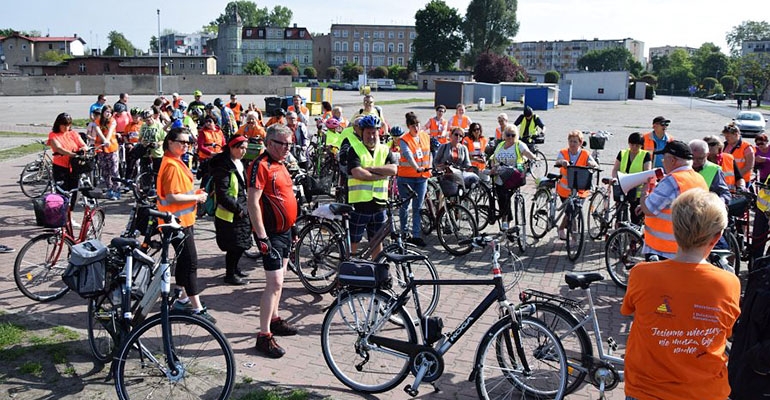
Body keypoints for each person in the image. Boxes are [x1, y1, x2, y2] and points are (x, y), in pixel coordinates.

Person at [621, 188, 740, 400]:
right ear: (717, 237)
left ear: (674, 228)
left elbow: (629, 310)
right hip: (704, 392)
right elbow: (726, 330)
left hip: (646, 390)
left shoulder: (641, 274)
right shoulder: (729, 283)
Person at [247, 124, 300, 358]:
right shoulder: (261, 165)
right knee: (275, 283)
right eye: (283, 143)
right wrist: (261, 236)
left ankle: (275, 318)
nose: (287, 147)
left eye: (290, 143)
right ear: (269, 143)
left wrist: (293, 225)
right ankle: (264, 335)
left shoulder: (281, 163)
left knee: (281, 279)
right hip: (270, 233)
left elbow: (286, 195)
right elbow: (252, 202)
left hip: (285, 231)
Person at [157, 127, 216, 324]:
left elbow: (178, 192)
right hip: (175, 223)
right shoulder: (172, 165)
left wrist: (193, 194)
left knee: (184, 261)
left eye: (188, 142)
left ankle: (181, 299)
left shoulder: (174, 161)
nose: (186, 145)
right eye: (181, 142)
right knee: (191, 262)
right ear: (170, 142)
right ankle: (197, 307)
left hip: (180, 221)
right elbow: (172, 196)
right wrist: (196, 197)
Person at [639, 140, 708, 260]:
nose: (663, 162)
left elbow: (648, 210)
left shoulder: (672, 181)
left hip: (663, 250)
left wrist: (645, 192)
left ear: (672, 160)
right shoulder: (699, 178)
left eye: (664, 158)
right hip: (688, 249)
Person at [347, 116, 398, 256]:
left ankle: (377, 271)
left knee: (377, 242)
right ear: (362, 133)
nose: (371, 136)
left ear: (379, 133)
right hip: (359, 204)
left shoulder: (385, 150)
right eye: (368, 133)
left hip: (379, 204)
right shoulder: (354, 149)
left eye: (374, 133)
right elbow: (357, 173)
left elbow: (393, 170)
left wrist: (370, 168)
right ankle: (348, 270)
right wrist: (380, 175)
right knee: (353, 241)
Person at [211, 135, 252, 286]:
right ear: (232, 147)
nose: (244, 151)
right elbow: (223, 193)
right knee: (234, 246)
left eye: (245, 148)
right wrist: (238, 210)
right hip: (230, 214)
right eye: (241, 148)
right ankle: (230, 274)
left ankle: (235, 269)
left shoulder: (238, 163)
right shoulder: (223, 166)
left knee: (241, 244)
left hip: (240, 209)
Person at [490, 125, 537, 230]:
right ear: (504, 135)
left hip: (513, 176)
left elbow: (527, 153)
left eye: (513, 135)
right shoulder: (500, 145)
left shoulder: (519, 145)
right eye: (508, 135)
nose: (510, 137)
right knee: (502, 198)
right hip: (499, 176)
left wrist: (535, 158)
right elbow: (494, 157)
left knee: (506, 197)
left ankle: (506, 219)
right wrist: (493, 166)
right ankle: (505, 218)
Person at [555, 129, 598, 240]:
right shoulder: (563, 152)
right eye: (570, 141)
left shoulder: (585, 154)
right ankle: (574, 236)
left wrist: (592, 164)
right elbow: (558, 160)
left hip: (580, 190)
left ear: (580, 142)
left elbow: (594, 163)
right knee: (571, 212)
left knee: (573, 211)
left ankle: (561, 228)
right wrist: (562, 162)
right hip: (564, 190)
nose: (572, 144)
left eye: (575, 142)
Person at [398, 112, 432, 247]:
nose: (416, 128)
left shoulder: (425, 136)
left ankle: (416, 235)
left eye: (417, 125)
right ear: (408, 127)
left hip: (422, 178)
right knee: (404, 206)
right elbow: (408, 155)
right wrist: (417, 167)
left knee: (417, 207)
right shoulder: (404, 139)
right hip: (406, 177)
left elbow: (429, 153)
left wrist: (430, 167)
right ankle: (404, 233)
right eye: (413, 126)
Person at [611, 132, 651, 226]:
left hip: (637, 190)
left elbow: (647, 173)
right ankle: (618, 235)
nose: (634, 147)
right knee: (620, 214)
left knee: (635, 217)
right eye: (632, 144)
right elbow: (615, 169)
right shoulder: (622, 153)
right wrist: (614, 178)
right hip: (622, 187)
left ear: (641, 145)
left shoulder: (645, 155)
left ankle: (633, 238)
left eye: (637, 145)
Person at [48, 113, 87, 209]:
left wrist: (83, 149)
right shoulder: (53, 135)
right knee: (62, 193)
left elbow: (83, 145)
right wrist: (73, 154)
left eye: (68, 125)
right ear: (58, 124)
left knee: (74, 192)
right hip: (60, 167)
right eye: (64, 125)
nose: (66, 127)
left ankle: (69, 215)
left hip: (74, 167)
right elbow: (58, 148)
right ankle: (62, 216)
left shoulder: (73, 134)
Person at [435, 127, 480, 191]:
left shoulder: (464, 148)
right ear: (451, 135)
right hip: (446, 174)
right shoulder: (444, 146)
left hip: (459, 174)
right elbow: (436, 160)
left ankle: (466, 198)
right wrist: (439, 168)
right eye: (456, 134)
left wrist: (470, 168)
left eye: (461, 136)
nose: (458, 137)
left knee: (474, 178)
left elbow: (467, 163)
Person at [690, 139, 731, 205]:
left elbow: (724, 194)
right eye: (692, 158)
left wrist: (716, 204)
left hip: (705, 210)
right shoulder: (680, 166)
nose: (695, 161)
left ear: (707, 155)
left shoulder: (714, 170)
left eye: (700, 158)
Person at [94, 105, 121, 200]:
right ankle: (109, 189)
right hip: (101, 149)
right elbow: (98, 131)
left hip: (112, 148)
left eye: (109, 112)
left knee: (114, 170)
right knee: (105, 171)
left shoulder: (113, 121)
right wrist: (104, 140)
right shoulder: (97, 121)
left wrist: (107, 140)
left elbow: (110, 131)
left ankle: (117, 190)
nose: (107, 114)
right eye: (106, 112)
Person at [197, 116, 226, 182]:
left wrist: (222, 152)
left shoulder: (219, 131)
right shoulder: (203, 132)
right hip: (206, 159)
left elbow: (223, 144)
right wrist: (211, 153)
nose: (208, 123)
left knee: (217, 178)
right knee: (206, 178)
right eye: (206, 122)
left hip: (218, 157)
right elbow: (200, 146)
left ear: (214, 122)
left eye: (210, 121)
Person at [139, 107, 166, 173]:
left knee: (157, 172)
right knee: (145, 172)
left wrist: (157, 144)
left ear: (152, 117)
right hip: (145, 152)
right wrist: (143, 142)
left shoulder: (159, 125)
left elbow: (164, 139)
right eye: (145, 120)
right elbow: (140, 138)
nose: (147, 122)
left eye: (148, 120)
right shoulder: (143, 125)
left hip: (157, 153)